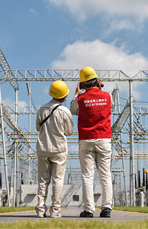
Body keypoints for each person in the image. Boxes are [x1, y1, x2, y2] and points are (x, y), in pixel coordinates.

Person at [70, 66, 113, 218]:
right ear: (96, 81)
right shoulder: (107, 96)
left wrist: (76, 94)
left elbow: (73, 110)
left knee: (87, 176)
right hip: (104, 139)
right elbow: (110, 107)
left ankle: (89, 210)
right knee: (105, 175)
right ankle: (106, 208)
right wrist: (100, 89)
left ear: (82, 84)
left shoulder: (81, 99)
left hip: (86, 139)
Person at [35, 80, 74, 218]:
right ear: (64, 96)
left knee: (43, 180)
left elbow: (38, 127)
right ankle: (55, 211)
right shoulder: (65, 111)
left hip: (43, 147)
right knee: (58, 179)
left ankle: (40, 210)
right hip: (59, 149)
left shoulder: (42, 109)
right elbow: (69, 132)